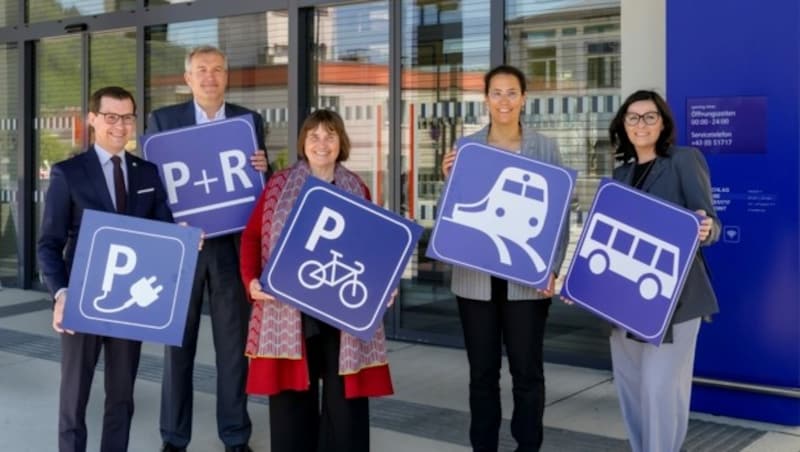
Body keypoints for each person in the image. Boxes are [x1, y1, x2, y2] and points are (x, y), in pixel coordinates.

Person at [239, 109, 393, 452]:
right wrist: (251, 281)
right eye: (314, 136)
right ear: (303, 143)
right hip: (290, 312)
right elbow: (251, 237)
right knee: (293, 402)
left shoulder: (356, 186)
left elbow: (375, 248)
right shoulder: (279, 186)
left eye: (330, 135)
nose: (322, 143)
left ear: (341, 143)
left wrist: (386, 285)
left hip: (342, 313)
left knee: (345, 406)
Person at [37, 86, 174, 452]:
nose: (120, 125)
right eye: (111, 117)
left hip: (131, 303)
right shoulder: (69, 173)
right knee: (74, 396)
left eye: (127, 117)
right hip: (82, 299)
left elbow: (165, 232)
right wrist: (61, 295)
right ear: (93, 119)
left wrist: (186, 238)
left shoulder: (147, 174)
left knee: (122, 394)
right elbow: (48, 244)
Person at [147, 45, 269, 452]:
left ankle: (235, 437)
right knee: (177, 348)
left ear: (227, 75)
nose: (210, 77)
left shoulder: (249, 122)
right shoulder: (164, 121)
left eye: (218, 69)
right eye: (202, 70)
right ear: (188, 78)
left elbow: (257, 193)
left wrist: (263, 170)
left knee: (233, 351)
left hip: (230, 251)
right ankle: (174, 438)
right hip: (182, 250)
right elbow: (154, 186)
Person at [441, 64, 569, 452]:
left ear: (524, 98)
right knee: (482, 373)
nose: (504, 101)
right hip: (474, 280)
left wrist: (552, 267)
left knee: (527, 372)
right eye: (496, 93)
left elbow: (559, 213)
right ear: (486, 99)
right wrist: (449, 181)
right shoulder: (466, 148)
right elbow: (454, 215)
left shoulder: (545, 147)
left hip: (527, 281)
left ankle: (527, 446)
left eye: (512, 92)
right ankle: (484, 446)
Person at [607, 90, 719, 452]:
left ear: (663, 122)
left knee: (661, 389)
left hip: (678, 298)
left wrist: (705, 228)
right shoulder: (620, 174)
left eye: (649, 116)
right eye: (633, 117)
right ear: (624, 125)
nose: (641, 124)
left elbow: (710, 222)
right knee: (633, 389)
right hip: (624, 298)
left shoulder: (684, 160)